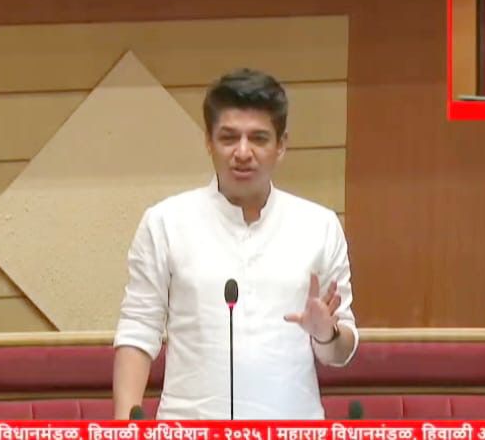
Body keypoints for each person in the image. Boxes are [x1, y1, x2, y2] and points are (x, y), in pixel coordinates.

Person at [112, 68, 359, 419]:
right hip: (190, 427)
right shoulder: (165, 222)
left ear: (281, 145)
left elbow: (340, 352)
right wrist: (124, 428)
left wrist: (326, 334)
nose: (243, 152)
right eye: (229, 138)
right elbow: (138, 330)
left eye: (259, 138)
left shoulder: (320, 225)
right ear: (208, 142)